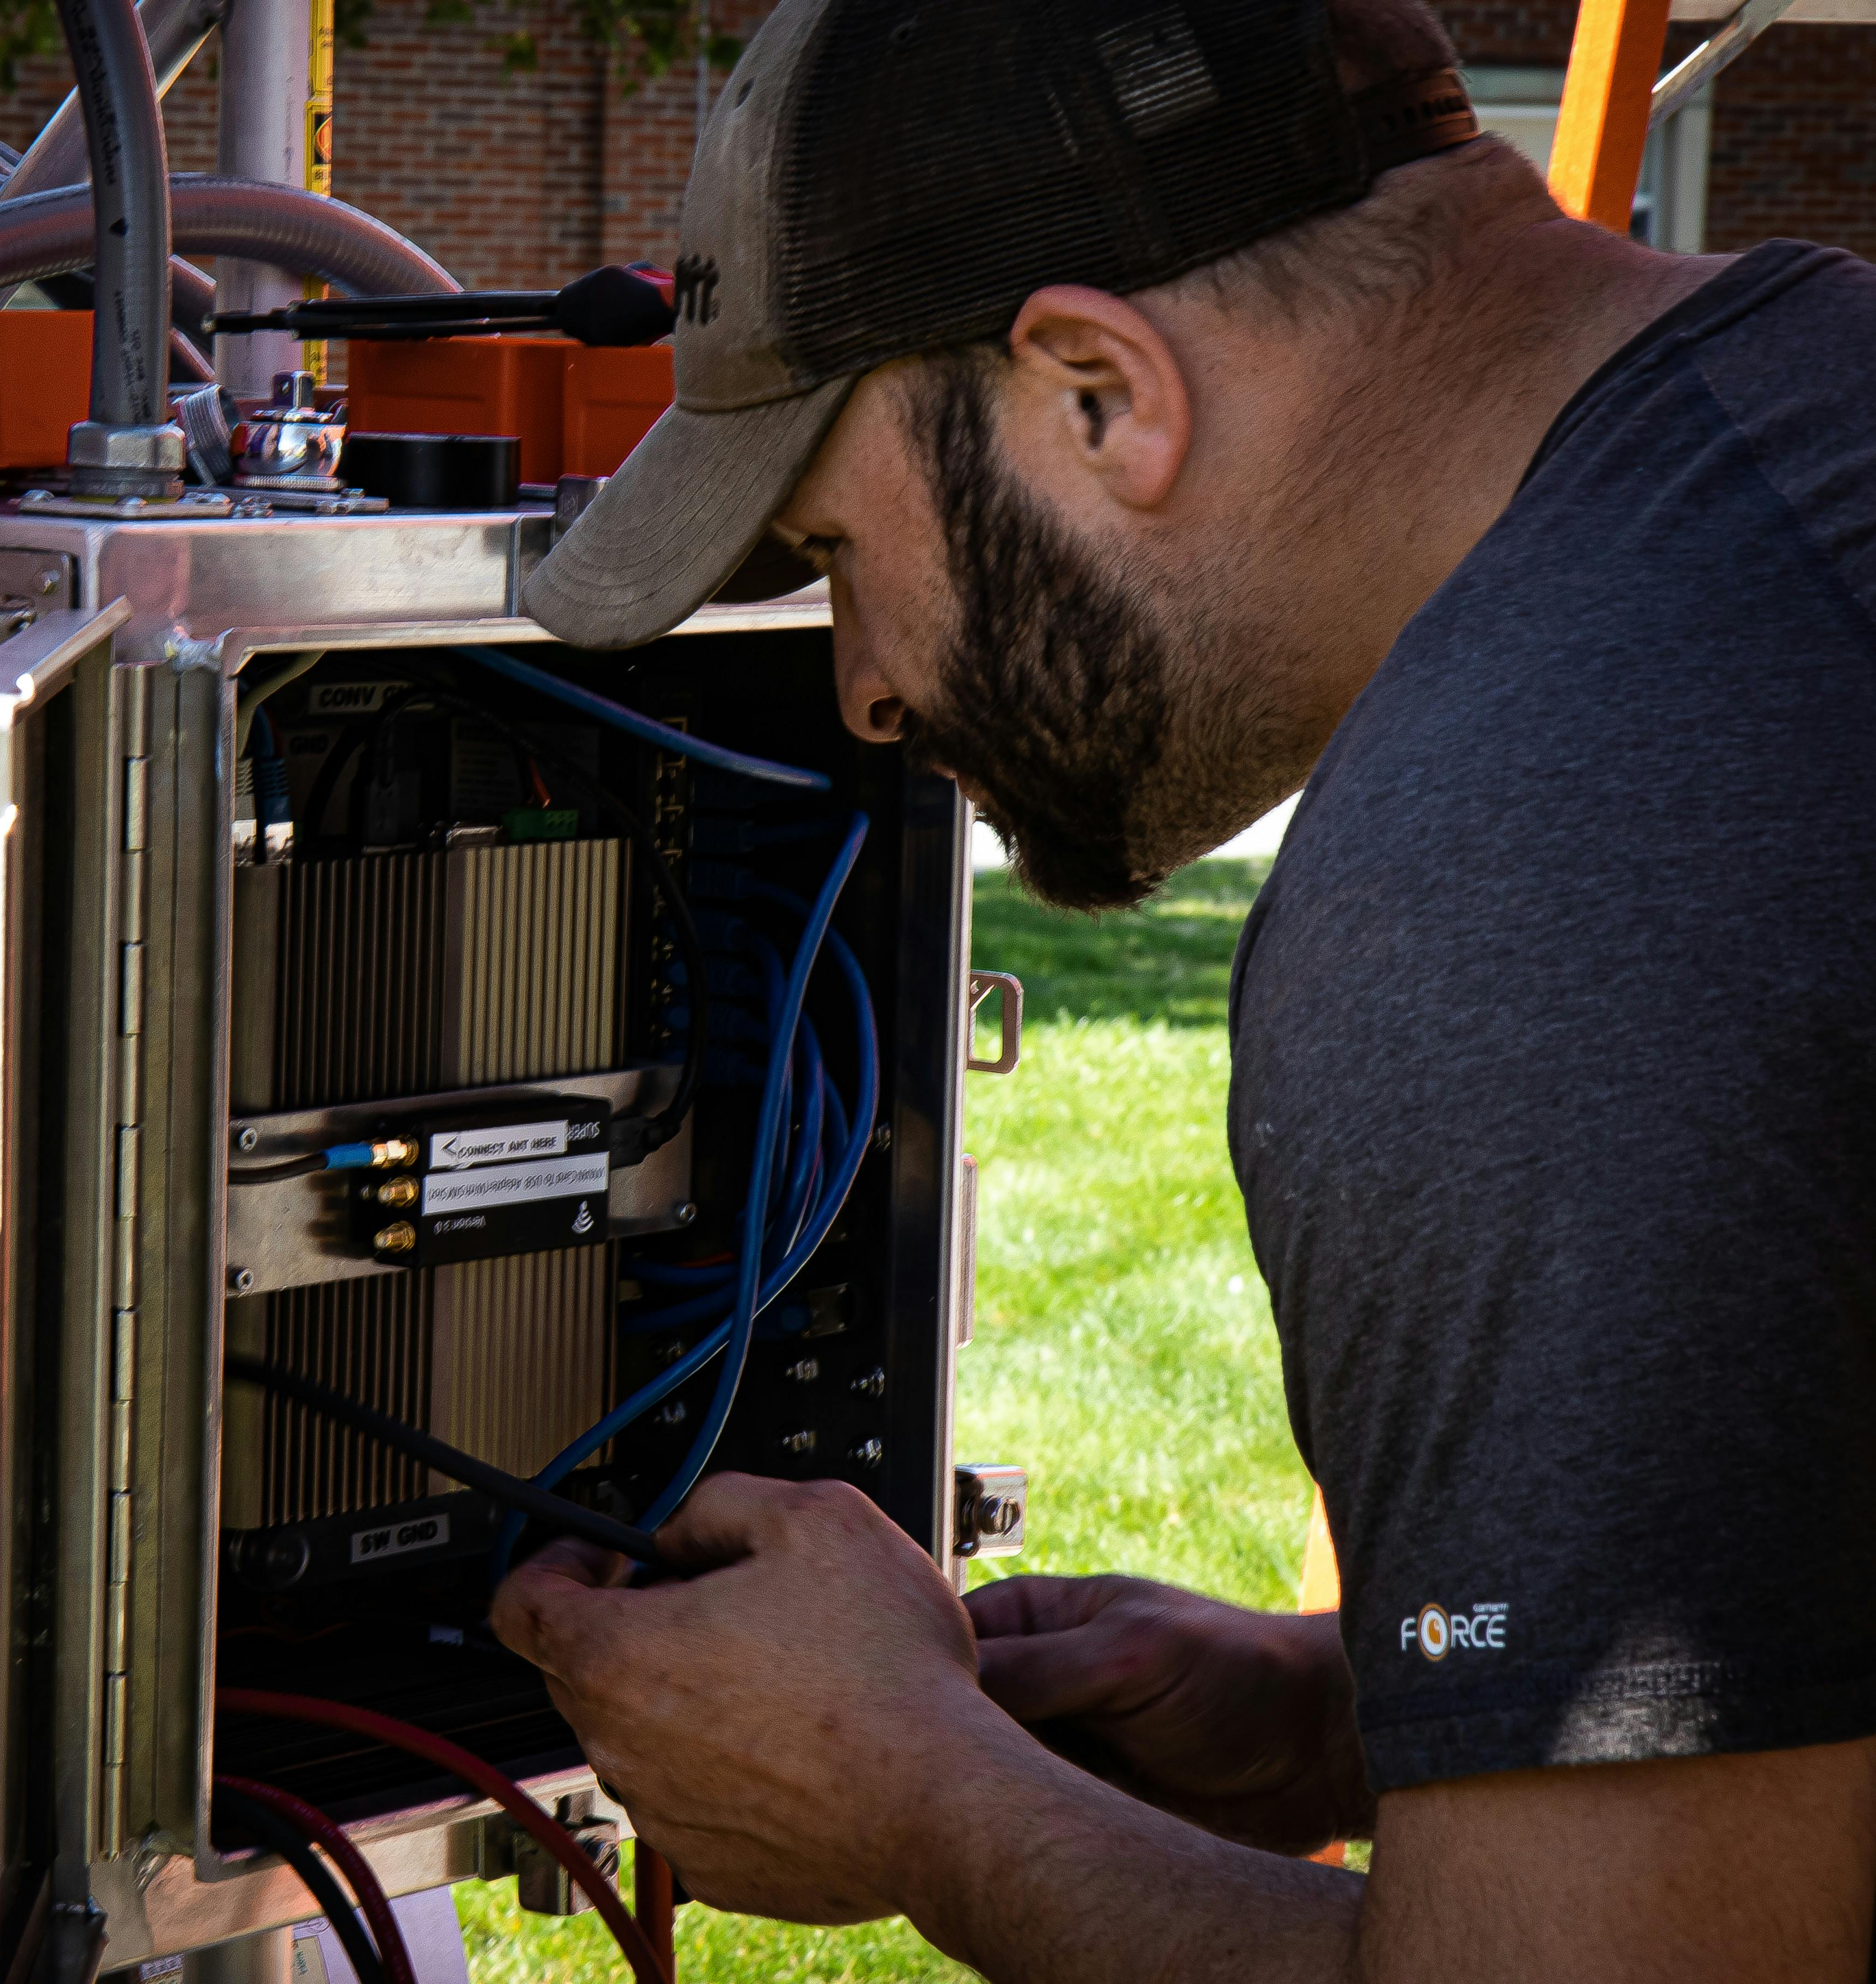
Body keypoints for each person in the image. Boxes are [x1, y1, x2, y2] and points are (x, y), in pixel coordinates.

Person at [505, 0, 1876, 1972]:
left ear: (1095, 394)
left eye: (834, 548)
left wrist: (916, 1793)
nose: (865, 686)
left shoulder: (1523, 870)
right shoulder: (1810, 416)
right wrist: (1368, 1704)